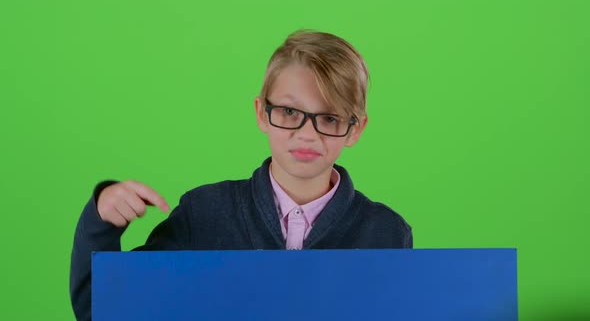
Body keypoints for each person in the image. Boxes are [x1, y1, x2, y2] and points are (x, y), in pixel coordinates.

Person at [69, 30, 413, 320]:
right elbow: (102, 309)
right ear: (262, 113)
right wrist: (101, 221)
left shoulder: (386, 232)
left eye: (329, 118)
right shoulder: (203, 213)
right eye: (290, 111)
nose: (308, 134)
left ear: (356, 129)